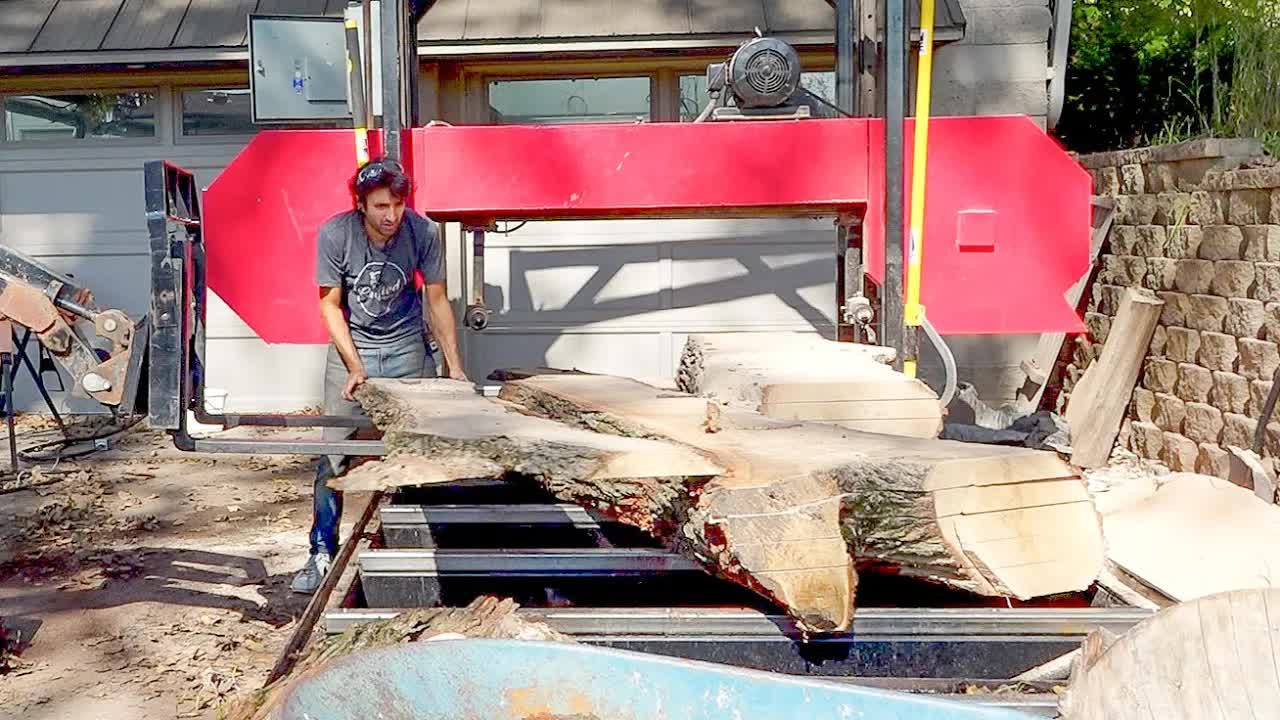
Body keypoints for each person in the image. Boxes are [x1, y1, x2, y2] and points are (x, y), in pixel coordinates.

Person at [291, 157, 467, 594]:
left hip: (408, 344)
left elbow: (438, 300)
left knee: (422, 449)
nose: (391, 216)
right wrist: (355, 366)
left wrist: (455, 368)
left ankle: (420, 545)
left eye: (398, 205)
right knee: (333, 454)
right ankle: (320, 552)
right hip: (356, 345)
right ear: (361, 205)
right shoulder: (337, 234)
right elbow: (330, 305)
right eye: (381, 206)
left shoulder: (422, 232)